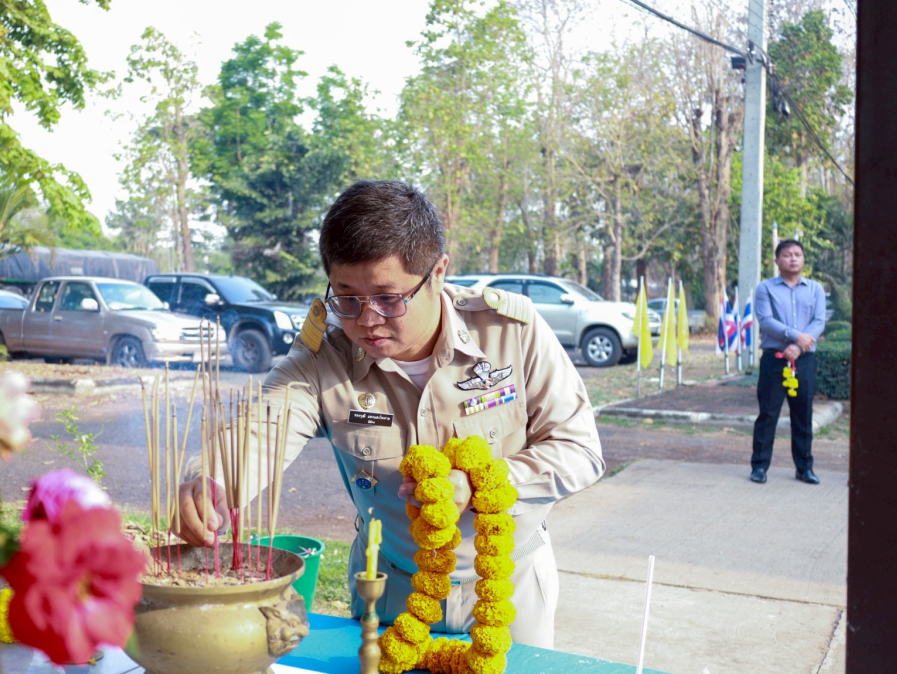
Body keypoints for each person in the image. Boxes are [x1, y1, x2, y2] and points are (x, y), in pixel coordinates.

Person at [173, 180, 604, 648]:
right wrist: (213, 482)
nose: (367, 319)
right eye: (347, 297)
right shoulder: (324, 355)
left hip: (507, 586)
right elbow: (263, 427)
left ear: (437, 273)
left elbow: (579, 450)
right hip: (389, 588)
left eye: (388, 297)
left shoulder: (510, 332)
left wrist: (481, 484)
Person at [750, 239, 827, 485]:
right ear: (777, 260)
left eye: (797, 254)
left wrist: (798, 346)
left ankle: (804, 468)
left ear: (803, 259)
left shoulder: (815, 289)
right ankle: (759, 467)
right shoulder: (765, 288)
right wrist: (796, 337)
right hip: (775, 360)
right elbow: (766, 320)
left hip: (804, 361)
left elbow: (819, 321)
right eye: (787, 255)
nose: (793, 258)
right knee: (768, 414)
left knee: (803, 415)